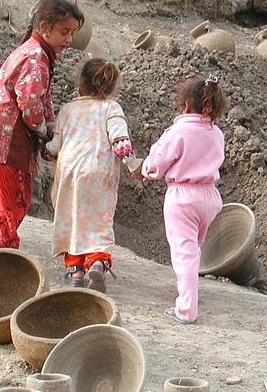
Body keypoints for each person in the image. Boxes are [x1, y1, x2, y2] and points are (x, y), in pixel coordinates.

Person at [0, 0, 84, 250]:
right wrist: (42, 131)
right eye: (64, 32)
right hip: (7, 138)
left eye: (71, 33)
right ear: (44, 28)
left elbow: (43, 97)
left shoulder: (33, 51)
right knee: (16, 199)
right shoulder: (36, 59)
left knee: (1, 192)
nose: (69, 40)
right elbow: (30, 104)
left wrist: (51, 124)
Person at [141, 75, 227, 324]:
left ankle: (186, 309)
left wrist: (146, 170)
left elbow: (157, 163)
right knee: (194, 249)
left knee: (184, 252)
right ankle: (188, 293)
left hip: (182, 196)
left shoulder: (178, 131)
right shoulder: (217, 133)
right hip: (210, 196)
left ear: (186, 104)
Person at [44, 59, 135, 292]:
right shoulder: (111, 108)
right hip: (99, 173)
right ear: (111, 86)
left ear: (81, 83)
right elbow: (120, 140)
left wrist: (44, 150)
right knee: (99, 219)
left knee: (72, 218)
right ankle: (97, 262)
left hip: (69, 174)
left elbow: (54, 146)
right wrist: (133, 165)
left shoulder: (68, 109)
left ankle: (76, 272)